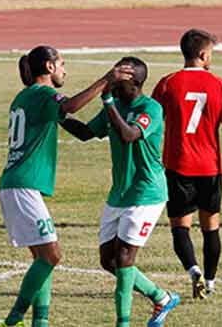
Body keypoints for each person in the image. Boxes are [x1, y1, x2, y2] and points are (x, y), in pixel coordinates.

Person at [0, 46, 133, 327]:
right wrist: (105, 80)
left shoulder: (23, 97)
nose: (64, 70)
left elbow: (65, 117)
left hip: (15, 184)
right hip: (23, 186)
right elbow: (70, 106)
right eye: (62, 64)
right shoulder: (43, 94)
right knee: (52, 255)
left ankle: (40, 322)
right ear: (49, 67)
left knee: (42, 258)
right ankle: (13, 320)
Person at [60, 56, 179, 327]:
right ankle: (161, 297)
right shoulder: (117, 104)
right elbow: (87, 133)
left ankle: (122, 323)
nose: (112, 79)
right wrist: (60, 118)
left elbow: (128, 134)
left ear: (134, 83)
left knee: (125, 257)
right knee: (108, 260)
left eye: (119, 77)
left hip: (146, 193)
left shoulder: (151, 108)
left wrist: (107, 100)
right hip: (120, 193)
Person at [151, 28, 222, 298]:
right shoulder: (219, 84)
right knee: (211, 228)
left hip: (178, 166)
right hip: (210, 168)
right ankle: (212, 282)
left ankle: (194, 270)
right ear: (203, 55)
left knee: (180, 227)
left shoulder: (168, 83)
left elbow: (152, 121)